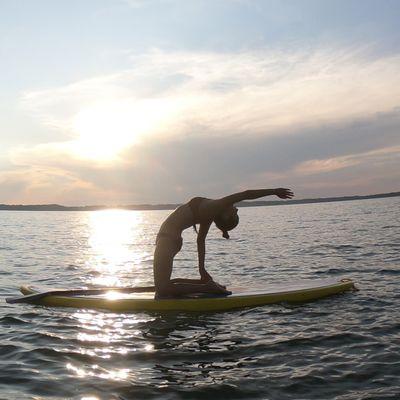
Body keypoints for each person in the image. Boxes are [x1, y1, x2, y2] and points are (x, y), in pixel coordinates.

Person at [153, 188, 294, 298]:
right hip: (171, 240)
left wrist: (274, 191)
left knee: (162, 289)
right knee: (165, 285)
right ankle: (204, 283)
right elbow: (200, 240)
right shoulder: (210, 211)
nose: (237, 209)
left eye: (235, 213)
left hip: (167, 239)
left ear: (226, 215)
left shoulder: (215, 207)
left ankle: (207, 287)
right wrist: (202, 270)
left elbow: (246, 194)